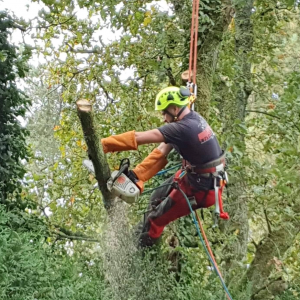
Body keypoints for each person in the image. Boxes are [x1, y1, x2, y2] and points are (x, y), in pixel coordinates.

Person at [101, 86, 228, 248]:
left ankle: (142, 250)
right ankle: (143, 233)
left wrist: (103, 145)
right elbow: (162, 151)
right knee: (156, 197)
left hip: (202, 190)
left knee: (156, 219)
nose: (163, 118)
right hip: (194, 178)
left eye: (164, 113)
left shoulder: (183, 128)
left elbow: (140, 137)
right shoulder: (191, 119)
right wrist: (137, 175)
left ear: (175, 108)